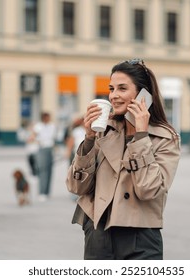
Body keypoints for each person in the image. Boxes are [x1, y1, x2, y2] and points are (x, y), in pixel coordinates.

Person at [66, 58, 181, 260]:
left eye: (122, 88)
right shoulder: (103, 131)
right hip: (99, 234)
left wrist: (141, 137)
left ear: (143, 95)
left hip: (141, 238)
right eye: (111, 89)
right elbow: (76, 187)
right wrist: (89, 139)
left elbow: (149, 189)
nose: (114, 96)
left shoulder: (165, 137)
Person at [33, 112, 56, 201]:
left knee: (49, 171)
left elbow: (53, 138)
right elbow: (32, 136)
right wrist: (37, 141)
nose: (48, 119)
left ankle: (47, 192)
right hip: (42, 148)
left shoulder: (52, 126)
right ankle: (42, 192)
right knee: (43, 170)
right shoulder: (38, 126)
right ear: (43, 118)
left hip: (50, 149)